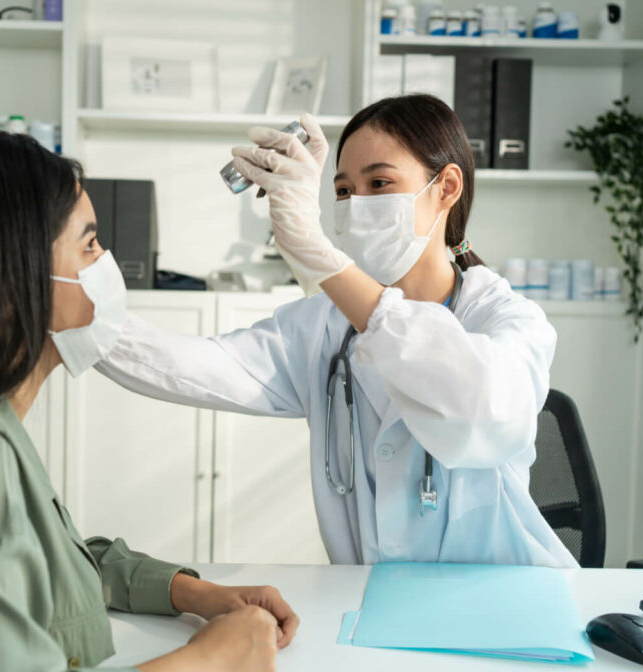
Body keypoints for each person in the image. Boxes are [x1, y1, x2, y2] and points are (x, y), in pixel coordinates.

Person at [0, 130, 298, 672]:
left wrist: (193, 593)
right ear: (12, 279)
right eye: (88, 244)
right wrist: (216, 657)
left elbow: (53, 562)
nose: (106, 261)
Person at [94, 94, 577, 568]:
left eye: (380, 183)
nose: (356, 206)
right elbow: (191, 368)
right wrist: (80, 308)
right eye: (344, 191)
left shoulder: (509, 320)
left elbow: (481, 411)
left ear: (446, 188)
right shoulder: (323, 327)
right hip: (369, 606)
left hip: (499, 607)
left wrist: (320, 256)